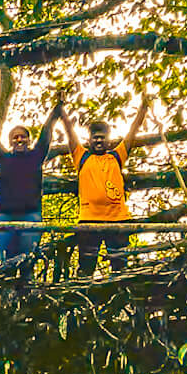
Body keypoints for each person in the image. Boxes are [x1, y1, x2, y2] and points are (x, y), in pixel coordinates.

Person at [57, 100, 151, 276]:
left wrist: (142, 111)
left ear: (108, 141)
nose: (99, 140)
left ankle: (120, 296)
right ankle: (82, 297)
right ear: (89, 141)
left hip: (117, 219)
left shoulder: (116, 156)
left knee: (120, 264)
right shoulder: (82, 157)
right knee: (86, 264)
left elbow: (132, 134)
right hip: (89, 220)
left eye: (102, 137)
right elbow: (70, 133)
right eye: (95, 137)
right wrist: (61, 111)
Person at [0, 103, 60, 268]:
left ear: (28, 140)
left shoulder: (37, 155)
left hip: (30, 215)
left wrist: (56, 109)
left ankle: (28, 290)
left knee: (27, 262)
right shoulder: (3, 157)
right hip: (5, 216)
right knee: (7, 264)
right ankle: (6, 292)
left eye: (23, 136)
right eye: (15, 137)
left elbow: (46, 132)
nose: (19, 139)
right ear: (11, 141)